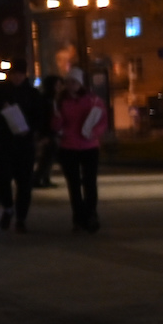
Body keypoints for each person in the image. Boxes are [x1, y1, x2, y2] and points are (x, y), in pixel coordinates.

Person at [0, 65, 39, 231]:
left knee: (24, 183)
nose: (18, 77)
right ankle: (8, 207)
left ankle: (21, 218)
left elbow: (40, 115)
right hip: (4, 144)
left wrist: (34, 131)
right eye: (15, 74)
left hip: (24, 144)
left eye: (21, 74)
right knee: (3, 179)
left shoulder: (31, 94)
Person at [54, 67, 108, 232]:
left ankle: (91, 215)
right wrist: (57, 121)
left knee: (90, 182)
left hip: (89, 146)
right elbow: (56, 124)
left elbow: (102, 120)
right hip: (68, 147)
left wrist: (94, 133)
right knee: (74, 184)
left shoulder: (92, 100)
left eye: (74, 82)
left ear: (80, 83)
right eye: (68, 82)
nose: (71, 85)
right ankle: (78, 218)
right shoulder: (61, 101)